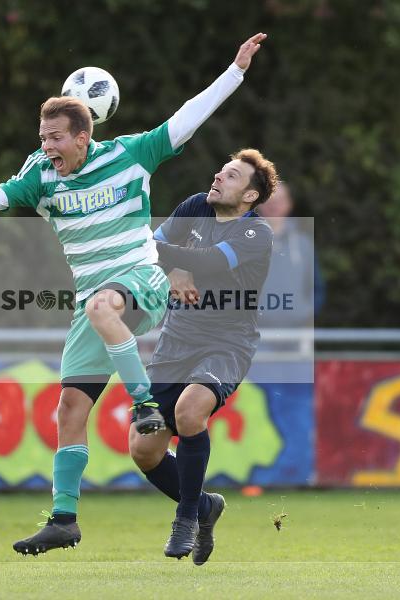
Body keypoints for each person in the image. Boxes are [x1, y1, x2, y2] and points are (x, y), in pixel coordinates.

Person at [0, 33, 268, 555]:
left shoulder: (131, 154)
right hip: (97, 302)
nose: (46, 146)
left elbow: (186, 117)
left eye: (54, 138)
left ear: (83, 136)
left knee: (102, 308)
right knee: (70, 405)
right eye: (42, 137)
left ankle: (142, 405)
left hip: (140, 279)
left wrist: (236, 71)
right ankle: (66, 519)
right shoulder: (41, 176)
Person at [129, 149, 277, 564]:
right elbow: (150, 243)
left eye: (231, 176)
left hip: (227, 344)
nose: (218, 176)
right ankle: (206, 507)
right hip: (176, 340)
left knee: (190, 411)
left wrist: (170, 259)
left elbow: (210, 262)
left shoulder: (256, 234)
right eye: (221, 170)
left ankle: (186, 518)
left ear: (249, 196)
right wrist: (174, 269)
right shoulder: (196, 205)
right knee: (143, 449)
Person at [255, 181, 324, 329]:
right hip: (257, 334)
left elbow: (316, 287)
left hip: (297, 333)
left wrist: (306, 313)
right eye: (269, 200)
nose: (274, 206)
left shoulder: (303, 244)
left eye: (279, 200)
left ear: (289, 204)